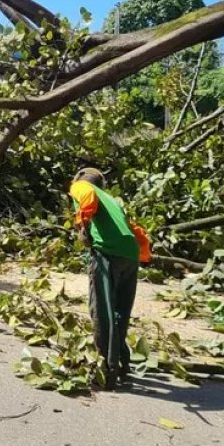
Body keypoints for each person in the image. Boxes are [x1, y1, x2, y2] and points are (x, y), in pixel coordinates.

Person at [69, 167, 152, 390]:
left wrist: (82, 227)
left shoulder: (83, 186)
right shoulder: (113, 200)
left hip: (109, 252)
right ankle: (123, 362)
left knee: (102, 310)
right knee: (119, 311)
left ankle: (106, 371)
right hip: (130, 254)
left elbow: (86, 197)